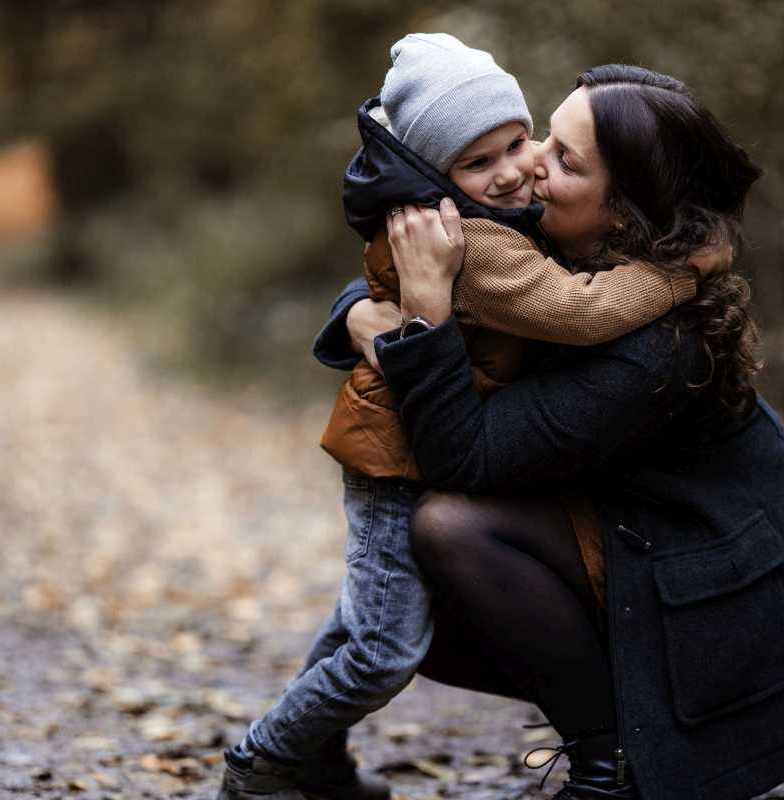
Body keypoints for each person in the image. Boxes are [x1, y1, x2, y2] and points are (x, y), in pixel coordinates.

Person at [218, 35, 725, 800]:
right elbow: (574, 311)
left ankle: (312, 759)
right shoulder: (467, 236)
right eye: (479, 162)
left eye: (519, 142)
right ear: (434, 177)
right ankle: (261, 761)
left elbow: (380, 284)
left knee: (362, 618)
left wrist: (358, 311)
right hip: (398, 460)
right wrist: (679, 275)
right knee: (385, 648)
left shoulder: (475, 213)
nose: (516, 168)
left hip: (412, 445)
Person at [321, 65, 784, 799]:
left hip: (712, 597)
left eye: (565, 158)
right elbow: (432, 269)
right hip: (637, 530)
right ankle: (311, 747)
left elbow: (464, 455)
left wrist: (423, 319)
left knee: (446, 532)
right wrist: (360, 315)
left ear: (621, 208)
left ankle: (606, 761)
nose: (532, 164)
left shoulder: (660, 342)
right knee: (401, 578)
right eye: (545, 135)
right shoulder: (567, 243)